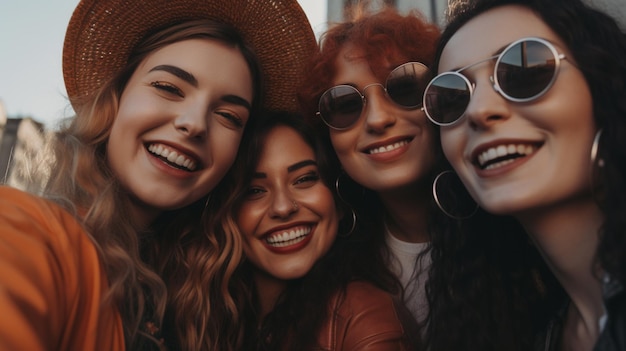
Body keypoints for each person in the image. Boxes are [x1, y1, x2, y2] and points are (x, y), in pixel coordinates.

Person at [0, 0, 316, 349]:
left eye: (228, 116)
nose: (194, 124)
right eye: (168, 88)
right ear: (115, 99)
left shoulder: (200, 297)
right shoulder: (28, 229)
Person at [422, 0, 626, 349]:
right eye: (453, 96)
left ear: (604, 87)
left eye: (525, 71)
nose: (480, 110)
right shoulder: (530, 328)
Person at [209, 111, 417, 350]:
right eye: (254, 190)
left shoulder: (366, 318)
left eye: (304, 179)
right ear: (225, 213)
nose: (283, 207)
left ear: (338, 202)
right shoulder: (202, 317)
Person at [298, 5, 441, 330]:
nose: (378, 119)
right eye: (345, 105)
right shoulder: (326, 269)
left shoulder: (517, 234)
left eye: (405, 87)